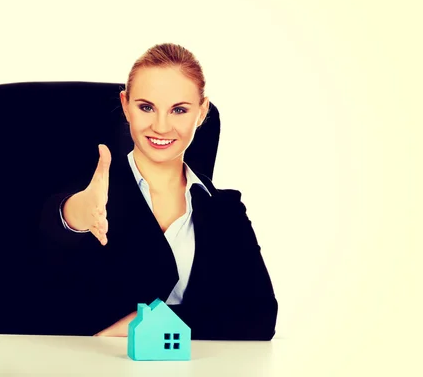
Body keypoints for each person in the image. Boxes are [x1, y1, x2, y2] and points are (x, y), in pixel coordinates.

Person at [39, 43, 278, 340]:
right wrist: (76, 213)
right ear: (125, 106)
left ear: (202, 112)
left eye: (179, 110)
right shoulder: (88, 185)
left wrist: (139, 326)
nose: (161, 126)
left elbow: (258, 316)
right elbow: (45, 240)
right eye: (146, 107)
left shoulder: (224, 208)